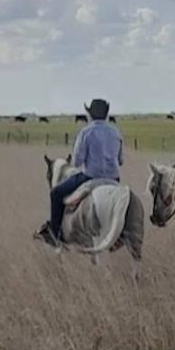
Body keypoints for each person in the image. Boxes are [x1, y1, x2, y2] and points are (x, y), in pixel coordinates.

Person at [37, 98, 123, 246]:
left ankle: (55, 234)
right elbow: (121, 161)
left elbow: (77, 162)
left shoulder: (86, 132)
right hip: (114, 179)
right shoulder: (116, 132)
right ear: (106, 114)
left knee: (56, 193)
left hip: (89, 177)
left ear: (90, 114)